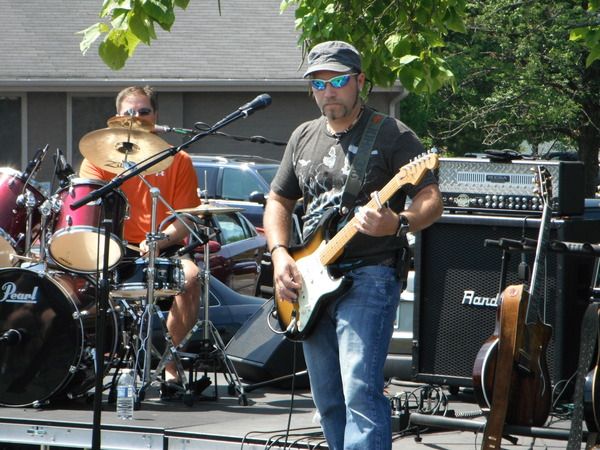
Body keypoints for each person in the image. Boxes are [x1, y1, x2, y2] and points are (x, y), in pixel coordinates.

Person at [263, 41, 444, 449]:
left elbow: (431, 199)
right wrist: (279, 254)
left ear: (360, 81)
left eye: (338, 81)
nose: (328, 91)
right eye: (318, 83)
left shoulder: (392, 134)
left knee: (360, 390)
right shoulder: (303, 136)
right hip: (311, 281)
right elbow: (278, 200)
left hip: (370, 276)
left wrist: (398, 222)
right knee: (328, 401)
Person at [79, 85, 201, 394]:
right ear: (117, 117)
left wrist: (161, 240)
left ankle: (169, 366)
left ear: (155, 116)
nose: (136, 117)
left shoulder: (179, 160)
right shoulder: (97, 158)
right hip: (110, 247)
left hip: (163, 246)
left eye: (144, 111)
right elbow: (85, 210)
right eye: (129, 112)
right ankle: (75, 365)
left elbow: (185, 220)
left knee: (191, 277)